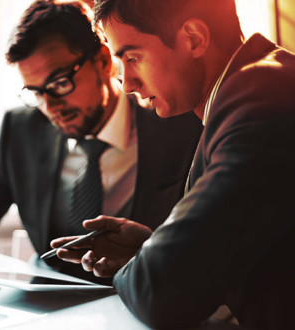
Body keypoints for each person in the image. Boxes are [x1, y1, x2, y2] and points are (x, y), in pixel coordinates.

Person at [0, 0, 202, 291]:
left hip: (140, 302)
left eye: (60, 83)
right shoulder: (20, 130)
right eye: (36, 92)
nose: (50, 108)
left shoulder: (179, 125)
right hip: (47, 304)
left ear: (102, 61)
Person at [51, 0, 295, 328]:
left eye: (132, 57)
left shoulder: (259, 102)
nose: (127, 84)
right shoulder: (252, 88)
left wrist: (145, 267)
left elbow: (160, 291)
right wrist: (150, 249)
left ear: (194, 37)